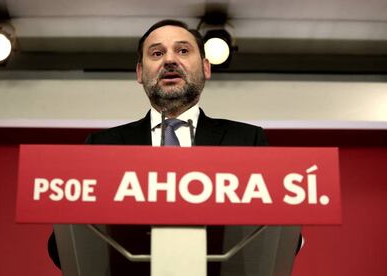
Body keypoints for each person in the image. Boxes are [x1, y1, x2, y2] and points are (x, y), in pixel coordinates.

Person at [48, 19, 282, 275]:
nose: (169, 60)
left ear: (205, 67)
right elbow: (64, 245)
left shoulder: (247, 141)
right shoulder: (101, 147)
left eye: (183, 51)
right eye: (157, 53)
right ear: (140, 73)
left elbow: (278, 239)